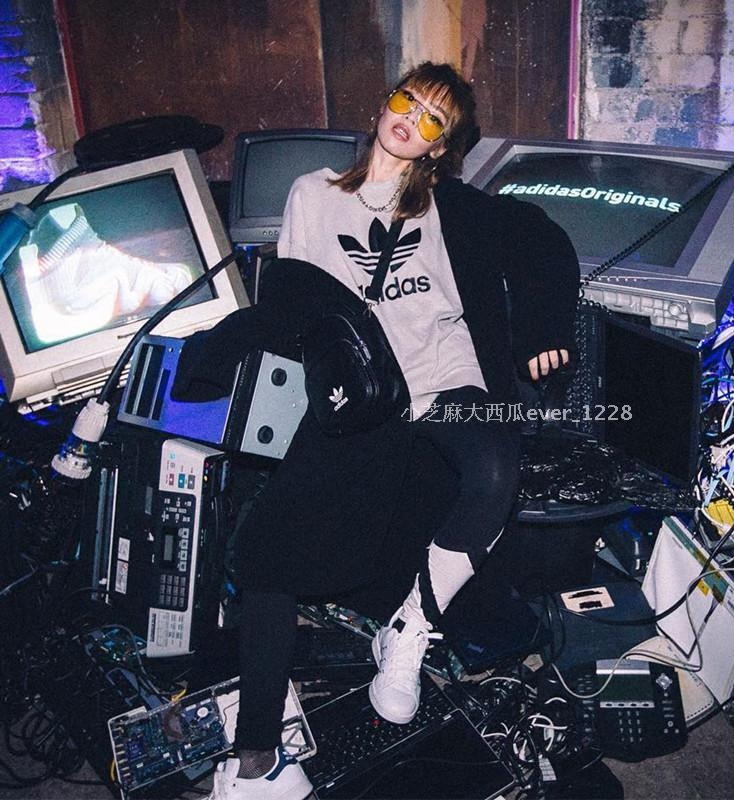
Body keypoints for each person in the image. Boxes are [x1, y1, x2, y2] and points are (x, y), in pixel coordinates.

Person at [183, 61, 579, 800]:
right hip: (366, 398)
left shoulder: (454, 207)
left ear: (440, 146)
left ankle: (410, 629)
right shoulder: (312, 194)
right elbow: (297, 306)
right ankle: (257, 760)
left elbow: (544, 242)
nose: (411, 120)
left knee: (495, 467)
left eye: (433, 120)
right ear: (384, 104)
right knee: (268, 554)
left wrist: (545, 328)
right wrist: (221, 345)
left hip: (449, 383)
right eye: (408, 101)